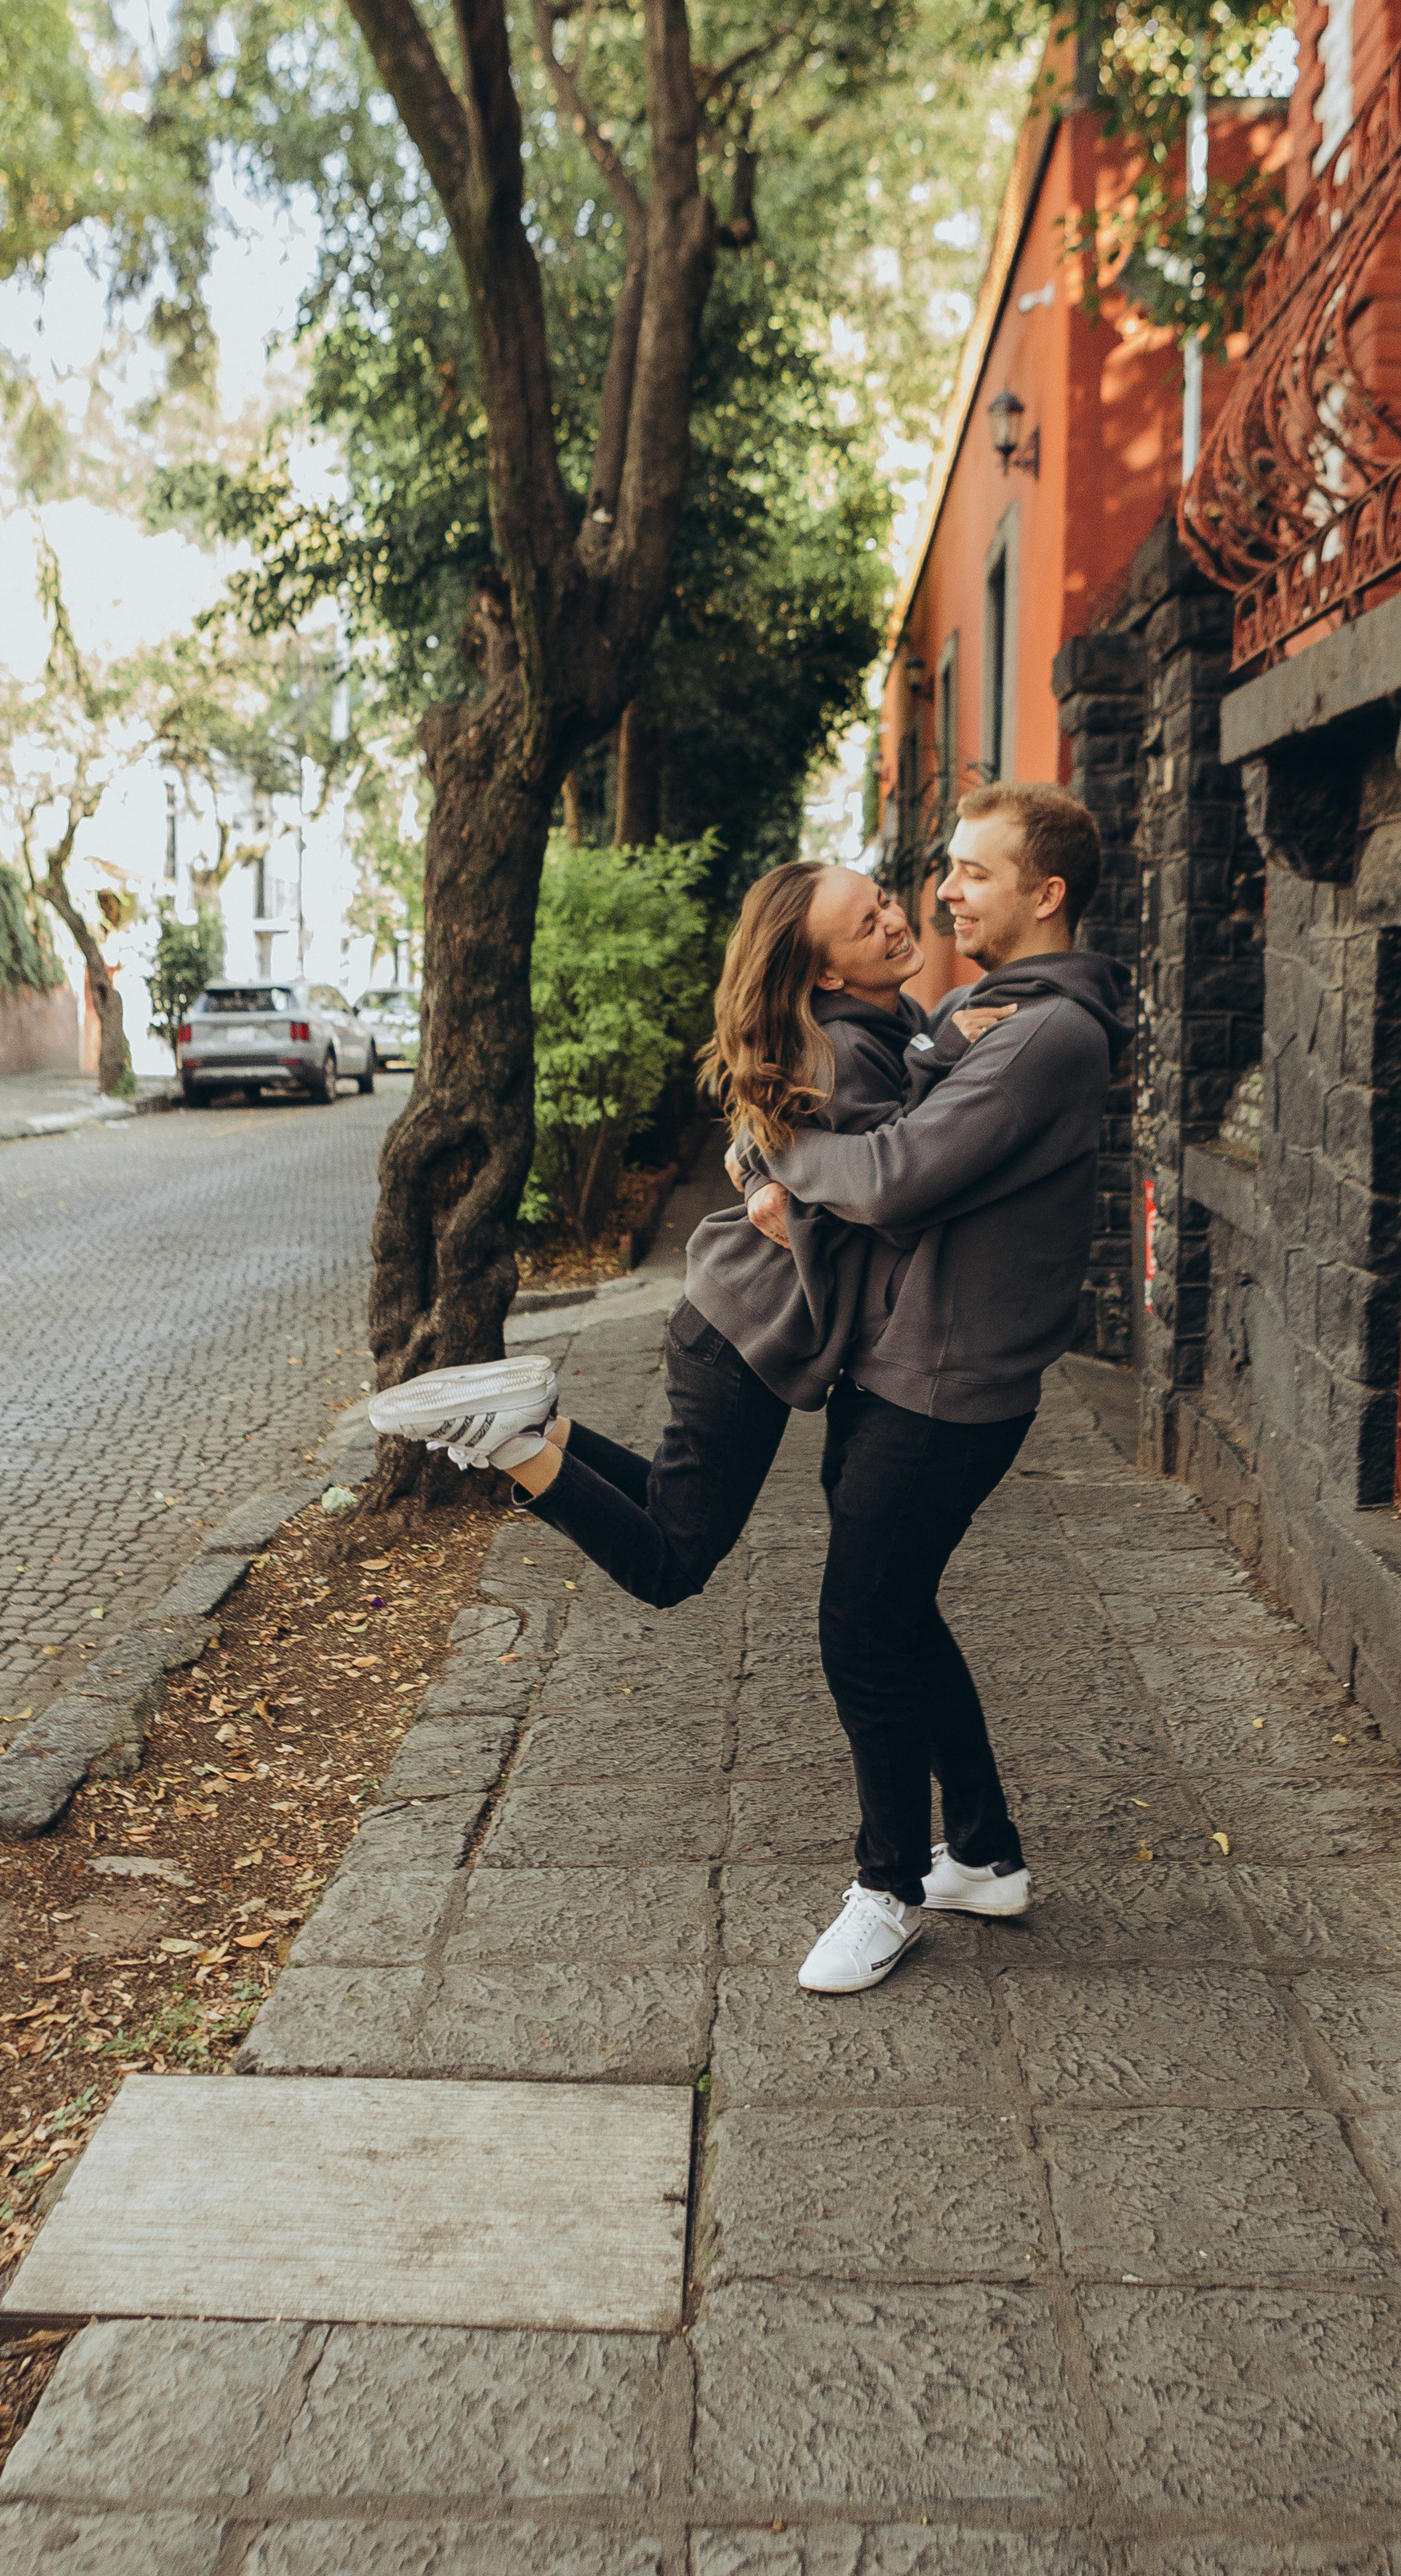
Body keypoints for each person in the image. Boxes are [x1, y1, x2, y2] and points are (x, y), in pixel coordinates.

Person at [735, 781, 1132, 1995]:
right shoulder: (979, 1008)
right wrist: (773, 1155)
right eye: (948, 866)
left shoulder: (1046, 1036)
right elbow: (870, 1102)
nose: (943, 890)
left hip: (946, 1385)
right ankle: (986, 1855)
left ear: (1045, 893)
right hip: (904, 1361)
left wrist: (777, 1147)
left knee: (861, 1626)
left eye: (972, 871)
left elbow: (895, 1174)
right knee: (900, 1610)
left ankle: (890, 1888)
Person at [367, 858, 945, 1612]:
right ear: (827, 975)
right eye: (868, 924)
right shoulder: (845, 1051)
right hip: (743, 1335)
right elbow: (897, 1181)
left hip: (737, 1318)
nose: (895, 920)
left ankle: (540, 1430)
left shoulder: (889, 1022)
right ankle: (510, 1443)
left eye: (885, 901)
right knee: (670, 1564)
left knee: (668, 1505)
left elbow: (779, 1130)